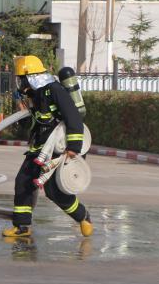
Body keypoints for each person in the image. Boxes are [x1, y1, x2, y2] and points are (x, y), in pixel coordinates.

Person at [5, 55, 93, 239]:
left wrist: (74, 148)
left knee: (54, 192)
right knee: (23, 181)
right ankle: (22, 226)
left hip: (58, 149)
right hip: (40, 148)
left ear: (32, 76)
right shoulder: (34, 94)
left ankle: (83, 216)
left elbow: (73, 117)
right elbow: (36, 122)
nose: (20, 82)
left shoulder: (54, 90)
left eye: (22, 78)